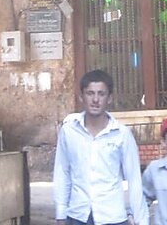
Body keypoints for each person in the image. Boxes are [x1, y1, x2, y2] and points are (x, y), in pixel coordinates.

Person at [53, 69, 149, 225]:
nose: (95, 99)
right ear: (81, 97)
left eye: (101, 94)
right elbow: (62, 172)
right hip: (78, 215)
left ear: (109, 98)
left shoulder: (121, 134)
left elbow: (134, 180)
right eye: (90, 93)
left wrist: (141, 220)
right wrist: (61, 214)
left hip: (112, 217)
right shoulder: (69, 131)